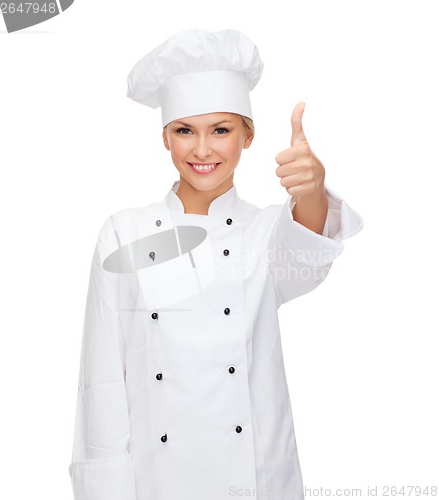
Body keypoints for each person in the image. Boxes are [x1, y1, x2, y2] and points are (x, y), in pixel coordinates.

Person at [68, 28, 363, 500]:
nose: (202, 150)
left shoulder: (264, 233)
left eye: (221, 130)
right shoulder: (124, 233)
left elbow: (305, 254)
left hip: (256, 483)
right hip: (156, 484)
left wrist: (310, 191)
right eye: (185, 130)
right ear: (165, 137)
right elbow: (102, 383)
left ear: (248, 135)